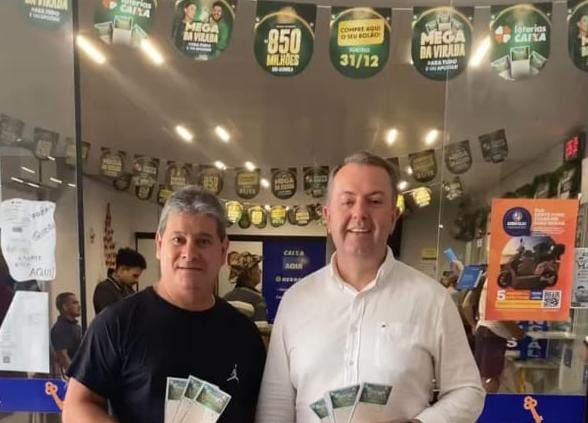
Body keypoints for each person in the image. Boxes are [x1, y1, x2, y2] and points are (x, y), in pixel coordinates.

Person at [256, 151, 485, 423]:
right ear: (327, 216)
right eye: (347, 201)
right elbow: (275, 404)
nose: (360, 213)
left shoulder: (431, 299)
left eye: (374, 201)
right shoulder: (296, 301)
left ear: (393, 217)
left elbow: (467, 391)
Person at [63, 186, 266, 423]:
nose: (189, 253)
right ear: (159, 245)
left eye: (203, 241)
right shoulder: (117, 323)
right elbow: (76, 406)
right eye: (178, 239)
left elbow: (259, 412)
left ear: (223, 251)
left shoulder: (244, 334)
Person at [92, 247, 146, 314]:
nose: (136, 280)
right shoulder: (104, 289)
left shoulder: (128, 290)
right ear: (122, 270)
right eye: (135, 276)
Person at [223, 252, 268, 322]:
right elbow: (260, 328)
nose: (260, 271)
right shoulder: (257, 300)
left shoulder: (226, 298)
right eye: (257, 268)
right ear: (249, 274)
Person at [50, 292, 82, 379]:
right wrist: (77, 378)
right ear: (65, 307)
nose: (79, 306)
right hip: (72, 379)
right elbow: (63, 357)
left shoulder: (76, 327)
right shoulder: (60, 329)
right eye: (74, 303)